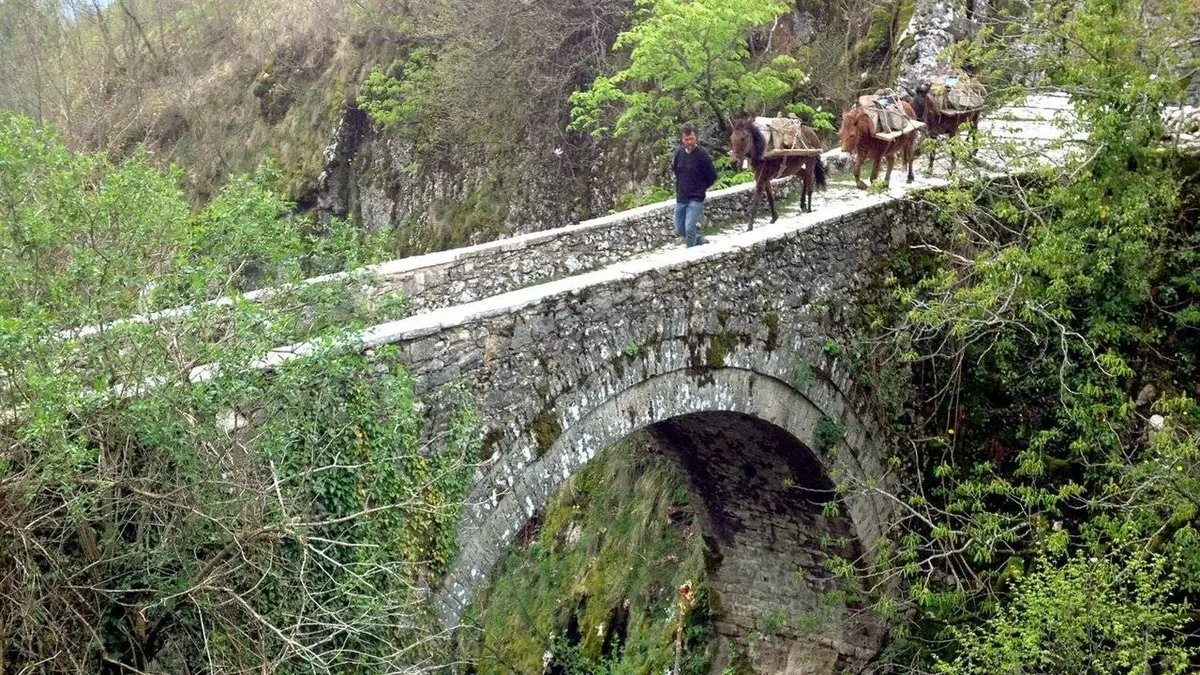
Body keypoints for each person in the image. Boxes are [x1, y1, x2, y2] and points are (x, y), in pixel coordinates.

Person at [672, 123, 718, 247]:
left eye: (691, 139)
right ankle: (698, 239)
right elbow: (676, 171)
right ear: (682, 140)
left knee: (689, 227)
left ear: (696, 137)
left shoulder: (702, 154)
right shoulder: (679, 154)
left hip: (696, 198)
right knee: (679, 229)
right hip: (681, 197)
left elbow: (712, 176)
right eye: (686, 139)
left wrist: (701, 188)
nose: (689, 142)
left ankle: (691, 253)